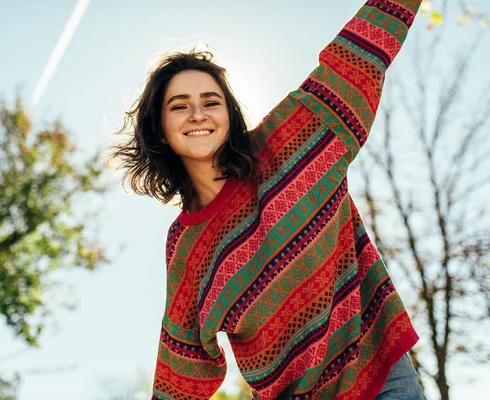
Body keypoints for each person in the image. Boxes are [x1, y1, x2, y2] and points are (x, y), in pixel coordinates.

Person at [107, 0, 427, 398]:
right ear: (160, 129)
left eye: (211, 101)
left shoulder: (292, 143)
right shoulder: (186, 248)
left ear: (229, 114)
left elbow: (356, 55)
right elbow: (182, 364)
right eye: (179, 106)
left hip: (376, 372)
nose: (197, 114)